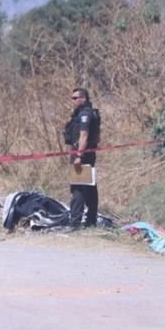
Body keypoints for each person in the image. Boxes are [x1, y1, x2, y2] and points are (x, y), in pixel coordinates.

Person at [65, 87, 100, 228]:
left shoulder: (85, 114)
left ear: (83, 98)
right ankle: (91, 221)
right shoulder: (88, 113)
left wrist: (79, 155)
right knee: (90, 187)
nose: (72, 101)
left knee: (78, 188)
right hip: (88, 154)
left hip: (82, 155)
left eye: (75, 98)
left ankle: (75, 223)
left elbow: (84, 136)